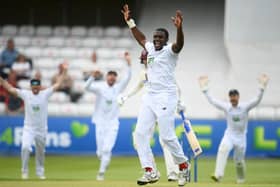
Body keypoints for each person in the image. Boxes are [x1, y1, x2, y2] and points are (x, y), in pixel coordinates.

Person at [121, 4, 190, 186]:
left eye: (160, 37)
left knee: (167, 136)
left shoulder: (170, 51)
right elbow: (141, 38)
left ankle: (183, 166)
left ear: (166, 40)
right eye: (155, 37)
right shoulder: (150, 48)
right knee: (140, 135)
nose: (157, 39)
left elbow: (180, 44)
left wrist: (179, 28)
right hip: (150, 96)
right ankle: (150, 171)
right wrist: (130, 22)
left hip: (166, 96)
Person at [118, 50, 186, 182]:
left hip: (164, 105)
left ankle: (174, 172)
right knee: (139, 137)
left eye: (146, 59)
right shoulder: (144, 73)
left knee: (165, 139)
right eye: (143, 60)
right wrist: (126, 96)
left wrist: (179, 102)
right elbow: (138, 86)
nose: (144, 62)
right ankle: (151, 170)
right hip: (149, 106)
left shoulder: (163, 71)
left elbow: (176, 88)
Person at [0, 62, 68, 180]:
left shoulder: (45, 94)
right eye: (34, 86)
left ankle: (40, 172)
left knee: (40, 152)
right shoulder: (26, 94)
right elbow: (10, 89)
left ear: (40, 86)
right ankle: (24, 171)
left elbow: (58, 84)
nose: (35, 88)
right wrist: (1, 79)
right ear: (31, 87)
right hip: (29, 128)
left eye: (37, 86)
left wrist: (65, 71)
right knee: (25, 147)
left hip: (42, 129)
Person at [198, 74, 269, 183]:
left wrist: (262, 88)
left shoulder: (245, 107)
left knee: (239, 161)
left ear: (238, 97)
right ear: (229, 97)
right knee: (223, 149)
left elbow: (256, 101)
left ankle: (241, 180)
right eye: (231, 96)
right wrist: (205, 90)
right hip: (229, 135)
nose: (233, 98)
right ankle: (218, 175)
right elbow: (213, 101)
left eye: (234, 96)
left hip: (241, 138)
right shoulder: (227, 107)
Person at [84, 52, 132, 181]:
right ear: (106, 77)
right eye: (110, 77)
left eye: (113, 77)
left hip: (113, 123)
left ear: (115, 79)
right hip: (100, 122)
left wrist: (128, 63)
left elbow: (128, 78)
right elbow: (86, 87)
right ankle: (105, 160)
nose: (111, 79)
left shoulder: (118, 88)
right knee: (100, 152)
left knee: (106, 149)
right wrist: (92, 77)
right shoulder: (100, 87)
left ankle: (101, 172)